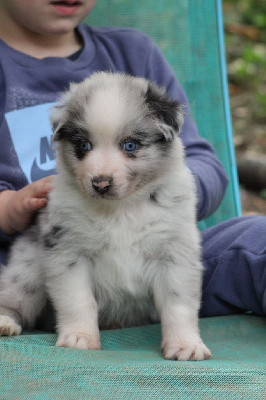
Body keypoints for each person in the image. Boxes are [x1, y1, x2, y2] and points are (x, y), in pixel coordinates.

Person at [0, 0, 265, 318]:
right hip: (44, 271)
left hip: (159, 267)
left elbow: (202, 162)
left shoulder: (133, 52)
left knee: (255, 241)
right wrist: (8, 208)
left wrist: (156, 190)